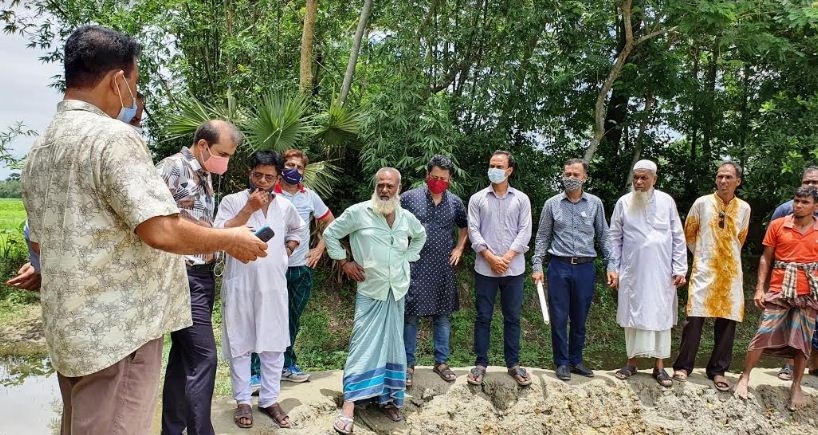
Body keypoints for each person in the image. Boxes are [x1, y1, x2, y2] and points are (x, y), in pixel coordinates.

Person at [19, 25, 266, 435]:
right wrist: (230, 239)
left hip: (72, 331)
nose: (133, 96)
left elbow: (42, 241)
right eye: (134, 83)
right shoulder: (113, 138)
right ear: (119, 80)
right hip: (117, 336)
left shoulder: (42, 146)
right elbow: (161, 231)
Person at [6, 94, 147, 291]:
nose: (133, 125)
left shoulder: (46, 147)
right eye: (131, 118)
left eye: (136, 120)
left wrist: (41, 266)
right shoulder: (96, 149)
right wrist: (41, 265)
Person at [323, 168, 426, 435]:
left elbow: (420, 237)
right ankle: (349, 405)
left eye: (389, 186)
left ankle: (388, 399)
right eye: (380, 184)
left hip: (397, 291)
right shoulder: (359, 212)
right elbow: (330, 234)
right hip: (371, 290)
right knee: (362, 344)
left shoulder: (406, 217)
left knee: (394, 345)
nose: (384, 190)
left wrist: (408, 258)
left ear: (398, 188)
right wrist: (344, 262)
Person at [157, 119, 242, 435]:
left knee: (184, 359)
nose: (227, 161)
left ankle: (172, 429)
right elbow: (150, 223)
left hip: (202, 278)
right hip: (183, 277)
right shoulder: (172, 168)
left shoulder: (205, 176)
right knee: (205, 357)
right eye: (224, 153)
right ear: (204, 145)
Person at [215, 150, 305, 429]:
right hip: (240, 284)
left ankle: (269, 399)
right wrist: (248, 210)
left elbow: (297, 231)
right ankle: (243, 400)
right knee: (241, 344)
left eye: (269, 177)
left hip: (274, 286)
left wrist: (286, 253)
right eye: (258, 175)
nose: (263, 182)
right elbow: (219, 234)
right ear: (249, 174)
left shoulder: (285, 207)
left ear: (278, 178)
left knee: (274, 345)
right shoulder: (233, 202)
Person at [248, 148, 335, 385]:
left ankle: (287, 364)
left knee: (292, 318)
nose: (294, 171)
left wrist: (319, 249)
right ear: (280, 169)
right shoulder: (268, 192)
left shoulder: (309, 196)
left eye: (299, 167)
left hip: (300, 268)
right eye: (289, 166)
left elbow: (330, 221)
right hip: (271, 268)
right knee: (264, 316)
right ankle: (255, 371)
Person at [734, 186, 818, 411]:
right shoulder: (778, 224)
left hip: (808, 292)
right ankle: (744, 377)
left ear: (815, 207)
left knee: (802, 342)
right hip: (779, 288)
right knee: (763, 332)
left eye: (804, 202)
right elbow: (766, 258)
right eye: (796, 201)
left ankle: (797, 385)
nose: (798, 205)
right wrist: (760, 288)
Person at [672, 162, 751, 392]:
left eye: (728, 177)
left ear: (738, 181)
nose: (723, 181)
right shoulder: (702, 203)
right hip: (704, 269)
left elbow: (741, 237)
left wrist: (725, 258)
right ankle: (684, 366)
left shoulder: (744, 208)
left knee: (727, 322)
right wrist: (705, 256)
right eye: (719, 176)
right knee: (694, 318)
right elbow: (690, 232)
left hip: (731, 272)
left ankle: (718, 370)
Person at [608, 160, 687, 388]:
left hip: (662, 273)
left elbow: (677, 235)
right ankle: (631, 363)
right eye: (636, 177)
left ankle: (659, 367)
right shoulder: (624, 202)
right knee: (632, 316)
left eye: (644, 178)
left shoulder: (666, 201)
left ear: (654, 179)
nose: (639, 182)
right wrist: (613, 268)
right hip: (632, 270)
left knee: (661, 318)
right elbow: (614, 237)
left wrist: (679, 268)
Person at [531, 158, 611, 381]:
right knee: (558, 316)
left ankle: (576, 359)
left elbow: (605, 237)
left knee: (579, 317)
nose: (571, 178)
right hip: (559, 266)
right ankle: (562, 362)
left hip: (585, 268)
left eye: (576, 174)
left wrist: (611, 265)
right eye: (567, 174)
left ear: (585, 177)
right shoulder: (552, 204)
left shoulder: (595, 203)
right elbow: (543, 237)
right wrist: (537, 265)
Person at [466, 150, 533, 387]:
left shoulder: (521, 199)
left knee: (512, 318)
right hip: (485, 269)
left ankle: (513, 364)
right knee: (483, 317)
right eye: (491, 165)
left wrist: (506, 257)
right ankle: (480, 363)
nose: (494, 169)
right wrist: (490, 257)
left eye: (499, 166)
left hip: (513, 270)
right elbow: (473, 231)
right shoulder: (477, 199)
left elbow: (525, 231)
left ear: (509, 171)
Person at [400, 155, 468, 386]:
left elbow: (465, 226)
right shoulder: (409, 198)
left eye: (444, 178)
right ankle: (407, 365)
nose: (439, 181)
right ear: (427, 175)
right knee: (410, 317)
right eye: (435, 177)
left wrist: (459, 248)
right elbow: (392, 221)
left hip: (443, 267)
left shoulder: (455, 202)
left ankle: (441, 363)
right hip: (414, 267)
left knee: (442, 317)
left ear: (449, 179)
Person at [770, 166, 818, 380]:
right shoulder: (784, 210)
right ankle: (788, 365)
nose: (810, 186)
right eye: (807, 182)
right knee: (791, 321)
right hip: (789, 278)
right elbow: (770, 248)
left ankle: (814, 366)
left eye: (815, 183)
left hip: (814, 277)